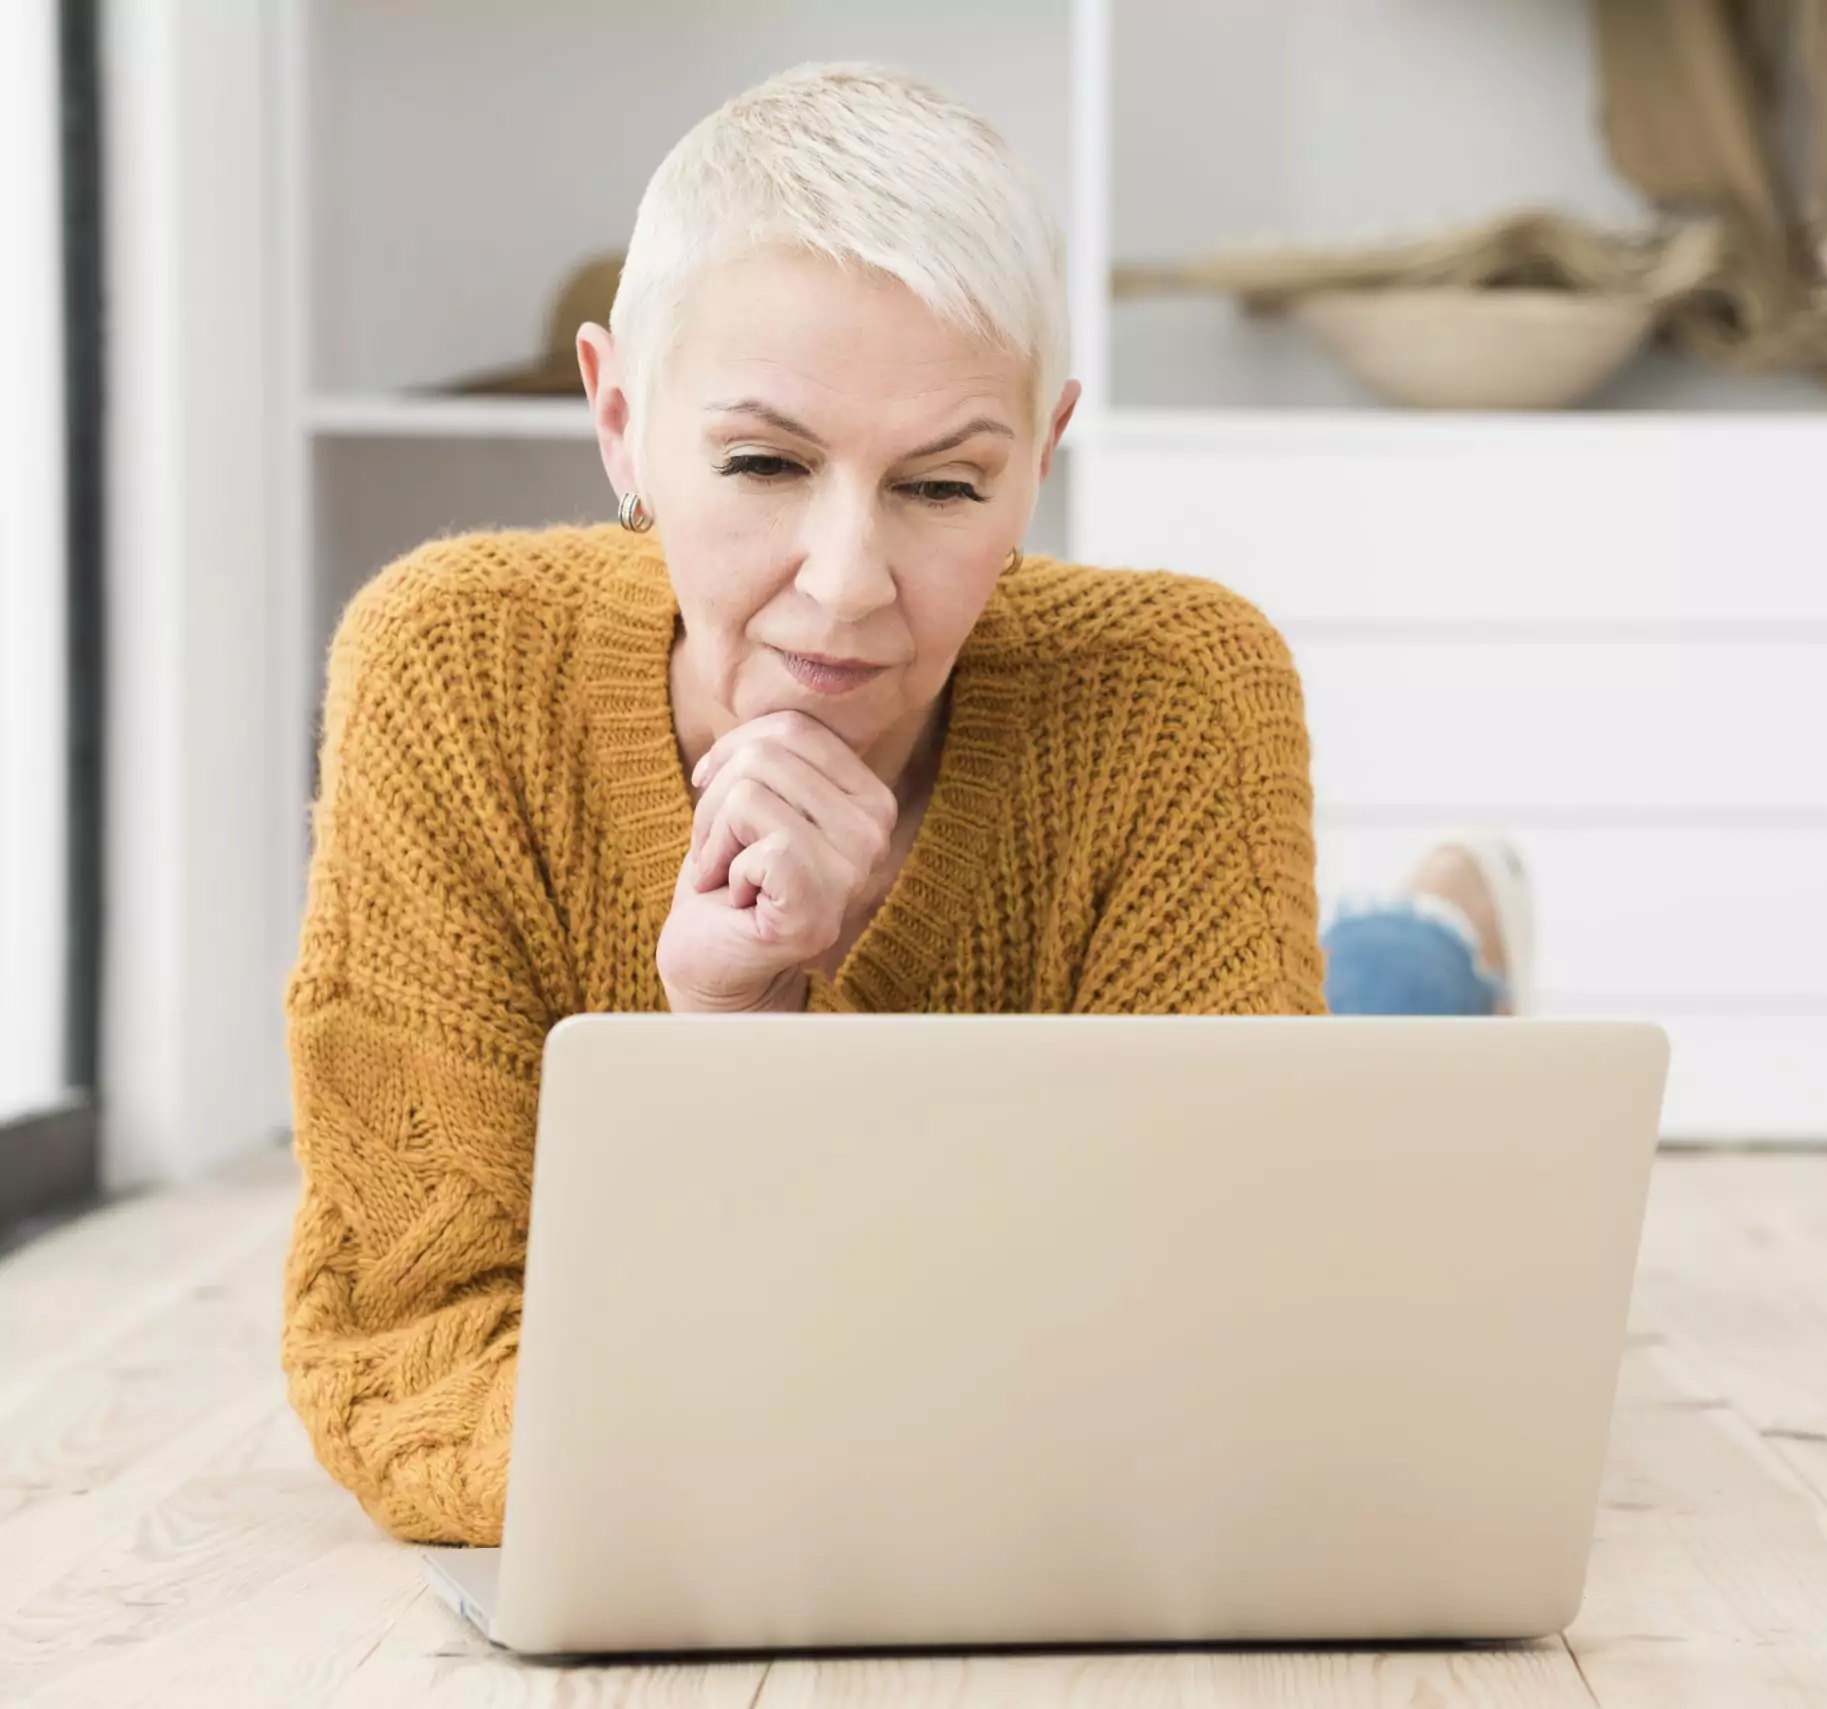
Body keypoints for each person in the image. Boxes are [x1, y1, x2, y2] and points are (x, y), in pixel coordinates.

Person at [280, 61, 1533, 1547]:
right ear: (620, 420)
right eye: (761, 463)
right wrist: (726, 1046)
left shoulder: (1182, 690)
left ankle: (1440, 932)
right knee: (1367, 1020)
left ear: (1044, 455)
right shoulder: (450, 667)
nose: (847, 582)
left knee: (1382, 1056)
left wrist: (748, 1437)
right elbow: (412, 1358)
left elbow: (1206, 1347)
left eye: (943, 486)